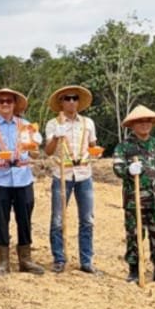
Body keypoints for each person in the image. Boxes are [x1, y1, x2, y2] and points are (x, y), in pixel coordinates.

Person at [0, 87, 45, 276]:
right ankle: (3, 261)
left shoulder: (26, 125)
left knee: (25, 219)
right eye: (1, 101)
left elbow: (35, 154)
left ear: (14, 104)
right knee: (1, 219)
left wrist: (36, 145)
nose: (5, 104)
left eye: (9, 101)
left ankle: (25, 260)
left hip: (23, 177)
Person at [112, 105, 155, 283]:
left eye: (147, 121)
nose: (144, 124)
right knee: (134, 235)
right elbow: (118, 169)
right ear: (132, 125)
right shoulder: (124, 147)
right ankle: (134, 270)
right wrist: (129, 169)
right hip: (134, 200)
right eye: (140, 122)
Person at [44, 85, 99, 274]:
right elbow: (48, 151)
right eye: (67, 98)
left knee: (87, 219)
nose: (71, 102)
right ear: (61, 102)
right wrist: (55, 137)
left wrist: (96, 152)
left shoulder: (88, 123)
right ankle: (59, 259)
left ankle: (86, 261)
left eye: (75, 98)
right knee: (58, 219)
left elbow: (93, 146)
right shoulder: (53, 124)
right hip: (62, 175)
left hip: (84, 174)